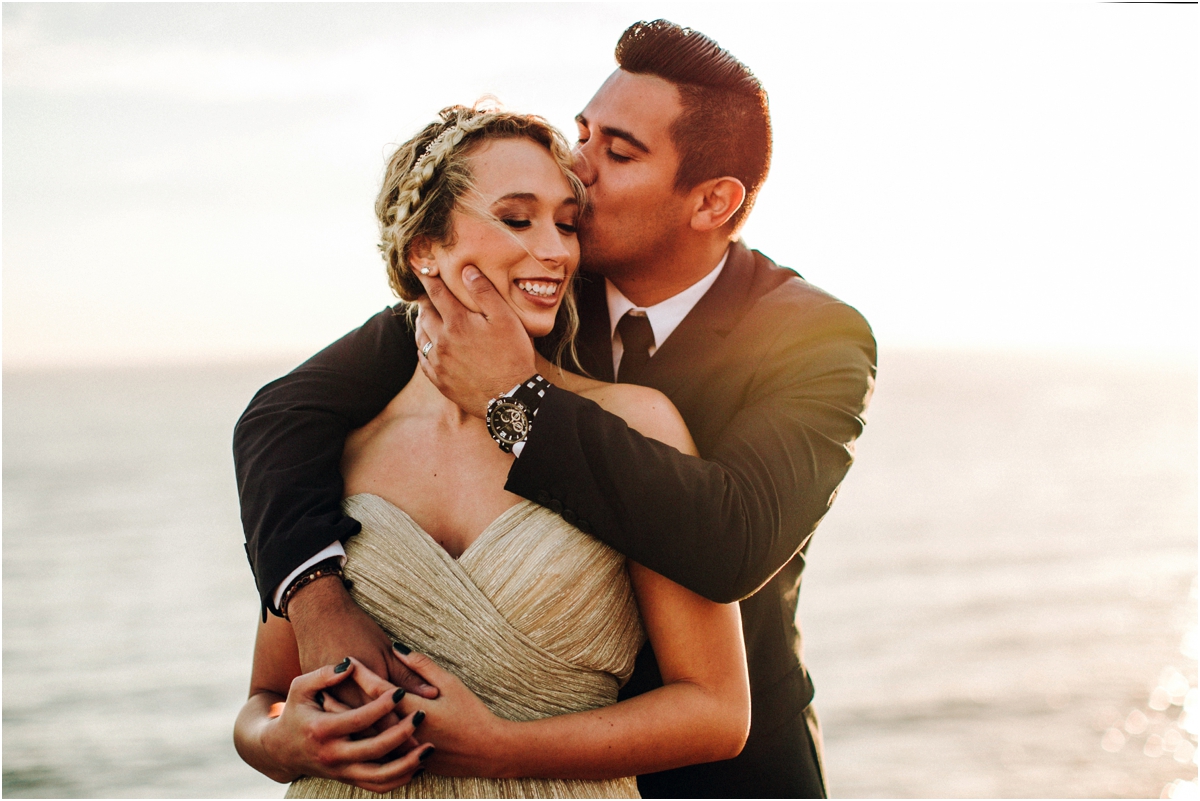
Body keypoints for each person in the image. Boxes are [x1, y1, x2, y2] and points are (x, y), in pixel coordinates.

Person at [235, 19, 876, 799]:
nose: (578, 168)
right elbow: (278, 420)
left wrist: (516, 401)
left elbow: (735, 540)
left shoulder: (812, 337)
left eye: (619, 153)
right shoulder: (511, 290)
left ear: (712, 200)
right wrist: (317, 603)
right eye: (584, 134)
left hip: (721, 775)